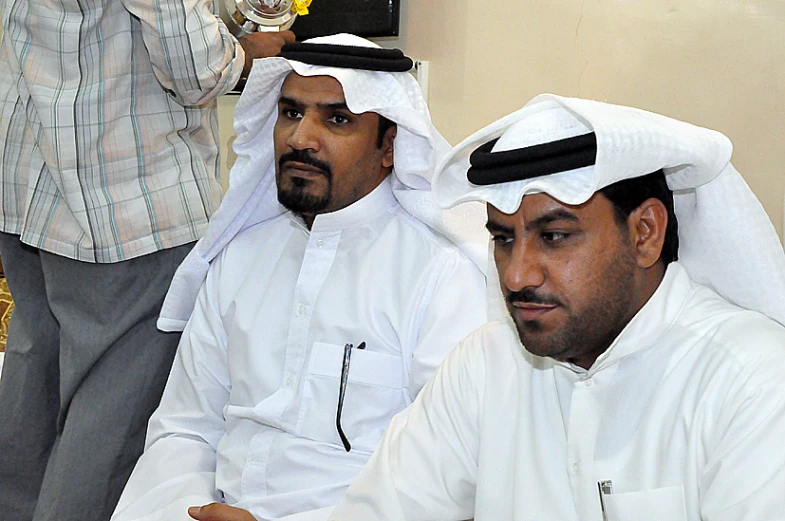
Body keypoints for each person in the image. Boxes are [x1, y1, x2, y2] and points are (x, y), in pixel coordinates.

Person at [327, 94, 785, 521]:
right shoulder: (485, 364)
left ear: (645, 232)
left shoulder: (754, 379)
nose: (516, 275)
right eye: (503, 239)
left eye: (555, 236)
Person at [110, 34, 488, 521]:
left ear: (390, 146)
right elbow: (185, 428)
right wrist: (184, 512)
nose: (300, 138)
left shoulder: (442, 276)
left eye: (337, 119)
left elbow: (445, 470)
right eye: (290, 113)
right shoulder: (242, 258)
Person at [0, 1, 294, 519]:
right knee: (112, 426)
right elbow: (195, 69)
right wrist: (247, 52)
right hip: (127, 205)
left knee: (34, 391)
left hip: (29, 191)